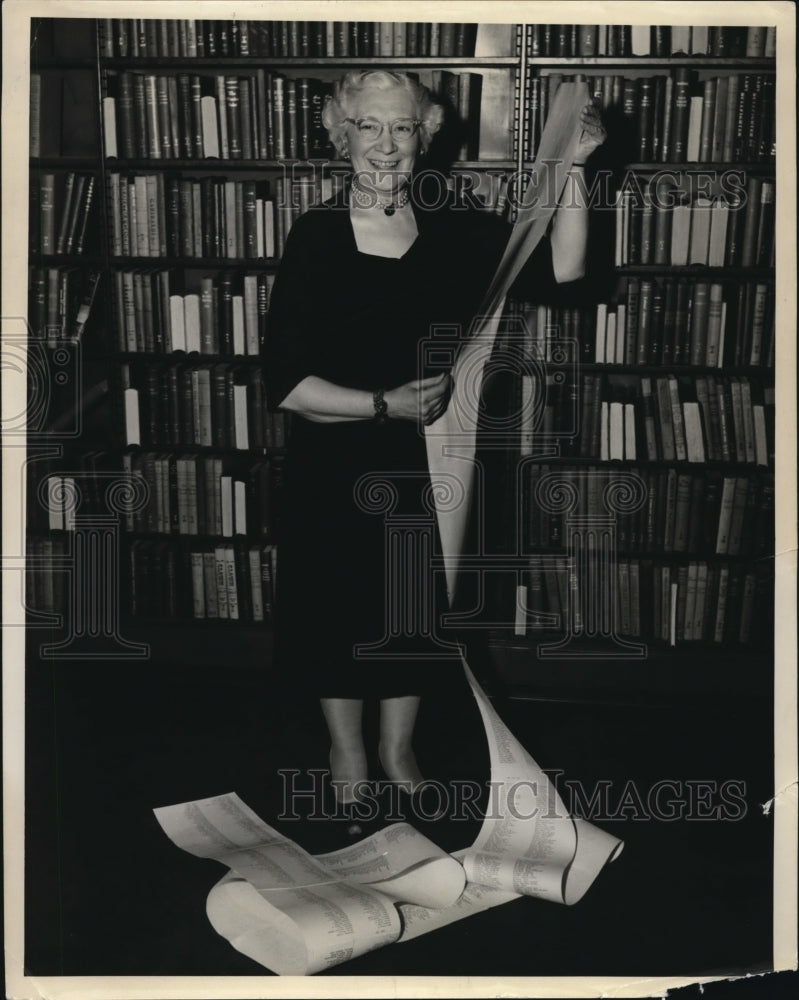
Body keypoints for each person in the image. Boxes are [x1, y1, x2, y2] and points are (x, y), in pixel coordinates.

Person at [264, 70, 606, 832]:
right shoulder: (316, 234)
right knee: (336, 609)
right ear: (338, 132)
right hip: (334, 453)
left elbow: (565, 266)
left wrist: (575, 166)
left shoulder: (455, 227)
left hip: (429, 457)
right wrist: (378, 403)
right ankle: (346, 752)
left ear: (426, 134)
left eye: (403, 128)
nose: (386, 144)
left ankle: (398, 749)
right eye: (369, 127)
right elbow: (284, 382)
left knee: (411, 609)